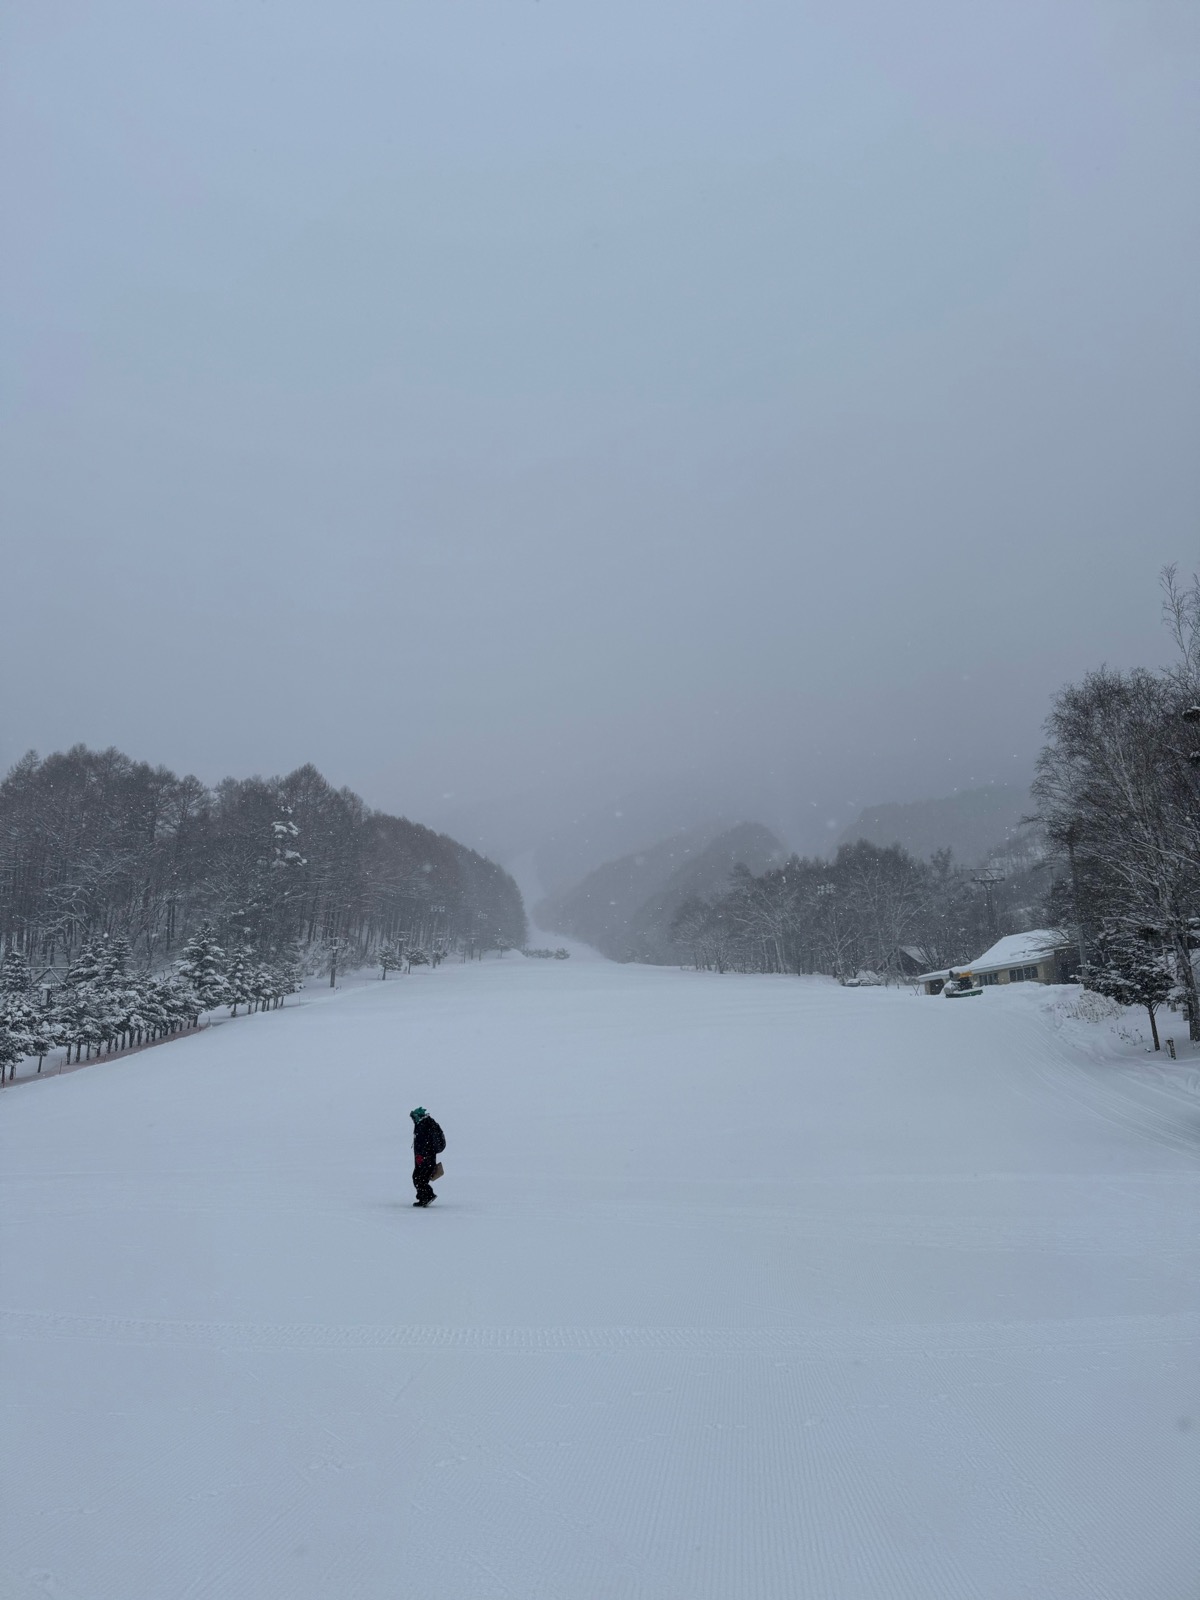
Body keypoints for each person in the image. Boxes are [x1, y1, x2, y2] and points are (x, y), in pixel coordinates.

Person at [410, 1106, 446, 1207]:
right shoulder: (425, 1124)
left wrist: (422, 1155)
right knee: (419, 1177)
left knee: (419, 1178)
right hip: (424, 1157)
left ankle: (427, 1196)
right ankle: (424, 1197)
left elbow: (424, 1143)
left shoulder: (425, 1125)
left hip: (425, 1157)